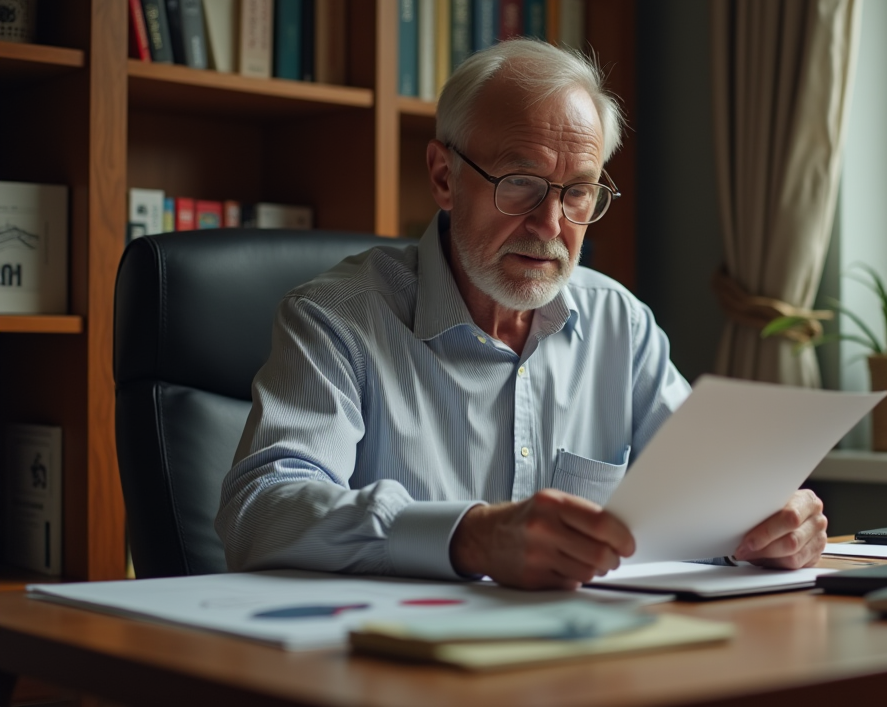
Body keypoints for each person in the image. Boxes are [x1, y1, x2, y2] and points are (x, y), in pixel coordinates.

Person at [216, 39, 828, 589]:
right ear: (443, 176)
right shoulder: (335, 318)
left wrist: (769, 526)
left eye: (578, 192)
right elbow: (261, 512)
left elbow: (709, 497)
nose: (550, 225)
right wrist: (470, 536)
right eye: (520, 182)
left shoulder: (621, 325)